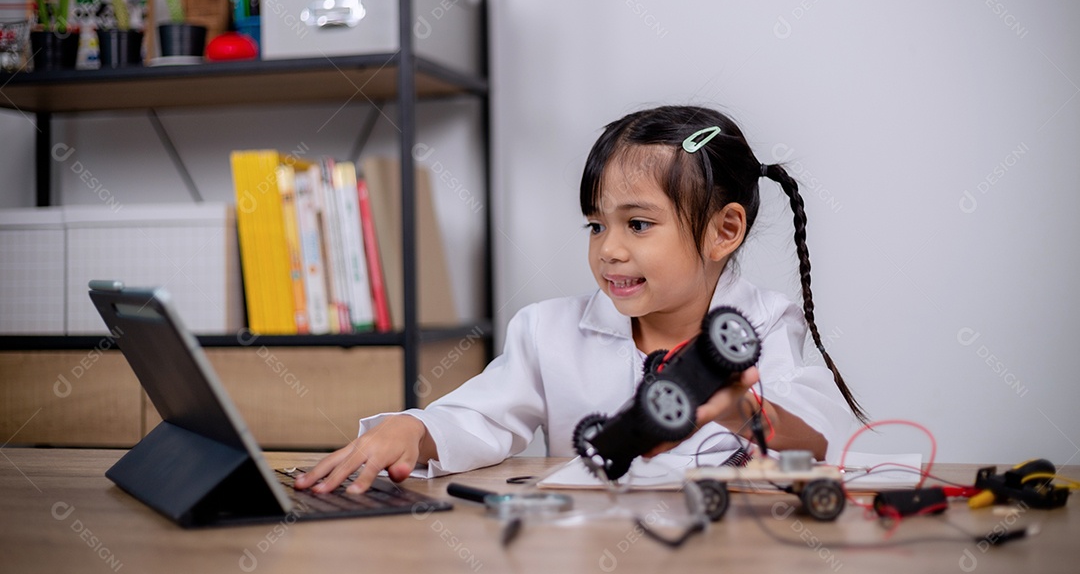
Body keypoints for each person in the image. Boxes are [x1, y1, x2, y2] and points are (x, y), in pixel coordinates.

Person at [296, 105, 867, 495]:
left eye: (638, 224)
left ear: (724, 231)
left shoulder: (764, 326)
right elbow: (480, 416)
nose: (609, 251)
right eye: (596, 226)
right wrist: (414, 431)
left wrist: (743, 411)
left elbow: (820, 436)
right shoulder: (547, 331)